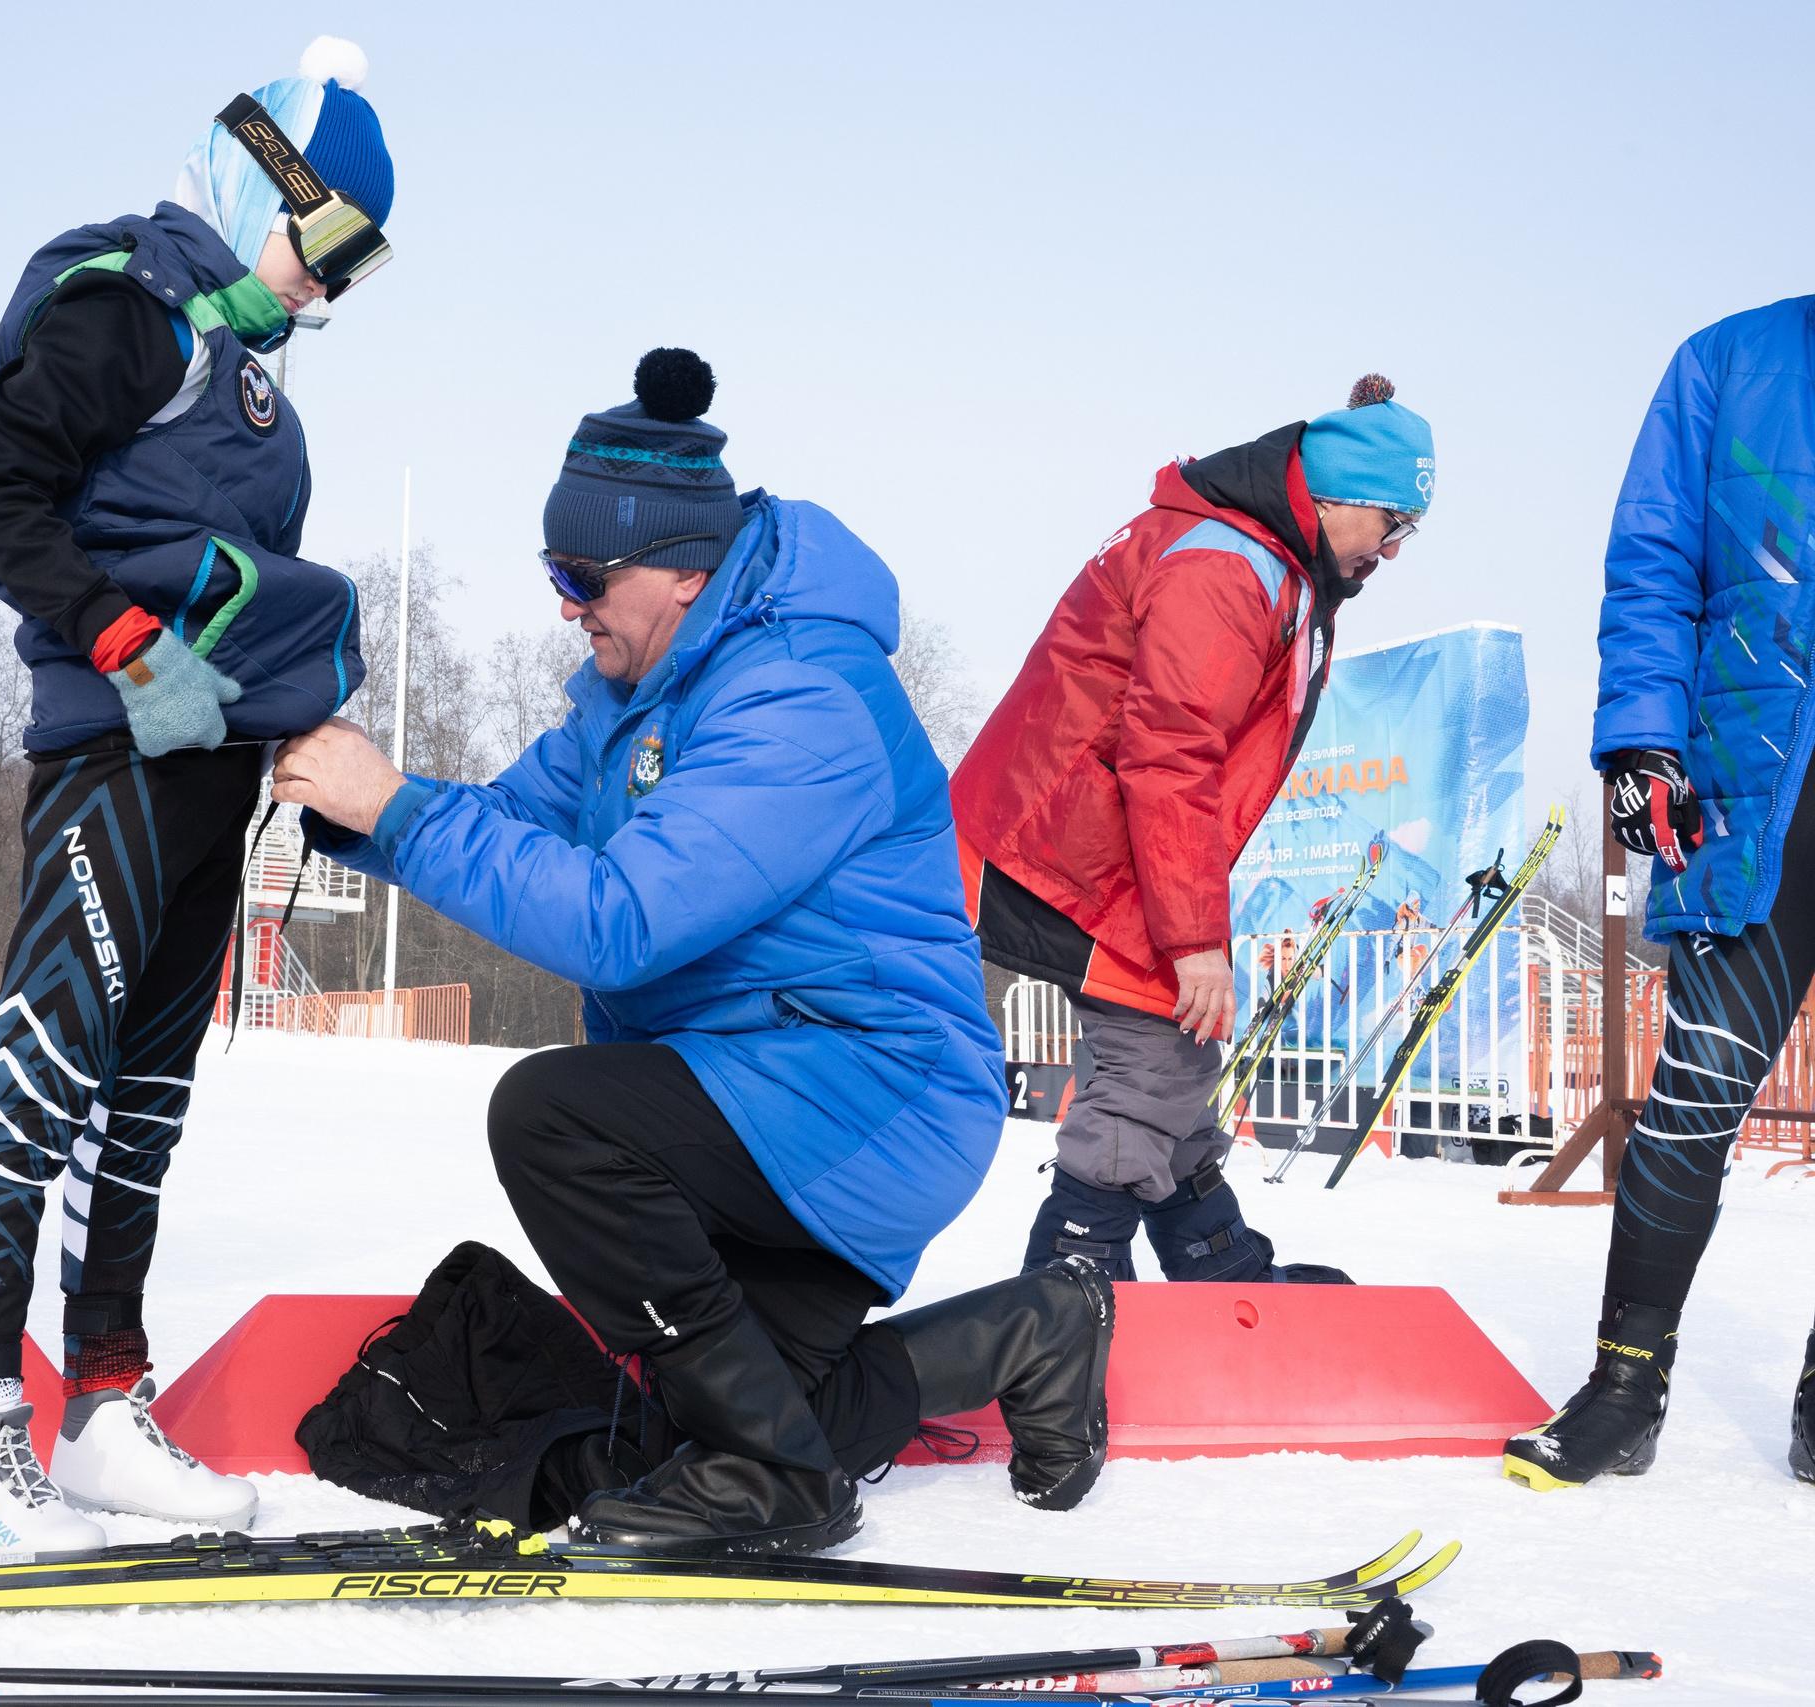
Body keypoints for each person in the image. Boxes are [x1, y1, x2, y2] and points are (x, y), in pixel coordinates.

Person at [275, 349, 1106, 1560]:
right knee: (717, 1418)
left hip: (870, 1093)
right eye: (553, 571)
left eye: (583, 574)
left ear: (681, 570)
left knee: (553, 1115)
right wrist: (357, 806)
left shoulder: (800, 699)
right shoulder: (629, 697)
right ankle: (1031, 1333)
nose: (566, 601)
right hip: (761, 1093)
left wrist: (397, 806)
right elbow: (508, 825)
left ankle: (775, 1484)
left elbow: (620, 921)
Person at [0, 36, 390, 1554]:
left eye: (360, 266)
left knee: (147, 1105)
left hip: (213, 773)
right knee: (50, 1069)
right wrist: (119, 639)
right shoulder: (133, 309)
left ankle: (106, 1401)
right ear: (260, 185)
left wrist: (301, 758)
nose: (330, 288)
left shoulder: (265, 392)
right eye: (325, 243)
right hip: (114, 749)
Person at [950, 377, 1433, 1287]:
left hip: (1086, 837)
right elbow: (1170, 754)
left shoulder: (1256, 554)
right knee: (1147, 1061)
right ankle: (1062, 1314)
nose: (1394, 551)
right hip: (1059, 849)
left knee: (1177, 1053)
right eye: (1393, 524)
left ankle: (1218, 1272)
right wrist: (1195, 941)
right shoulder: (1226, 566)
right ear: (1332, 502)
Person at [1504, 297, 1815, 1491]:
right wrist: (1641, 744)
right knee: (1695, 1096)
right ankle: (1623, 1387)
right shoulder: (1731, 361)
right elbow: (1652, 563)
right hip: (1757, 787)